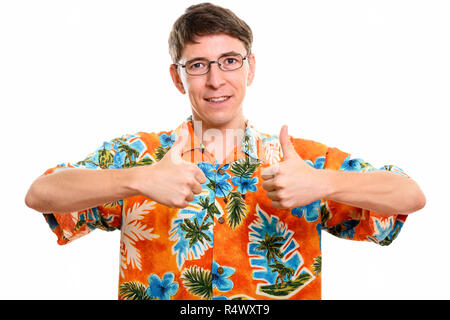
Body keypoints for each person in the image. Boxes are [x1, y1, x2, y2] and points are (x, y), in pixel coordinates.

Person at [25, 2, 425, 300]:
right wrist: (137, 179)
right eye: (197, 65)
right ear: (177, 78)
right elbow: (41, 193)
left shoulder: (300, 162)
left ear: (250, 68)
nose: (216, 80)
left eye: (229, 61)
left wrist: (326, 183)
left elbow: (410, 195)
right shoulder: (143, 155)